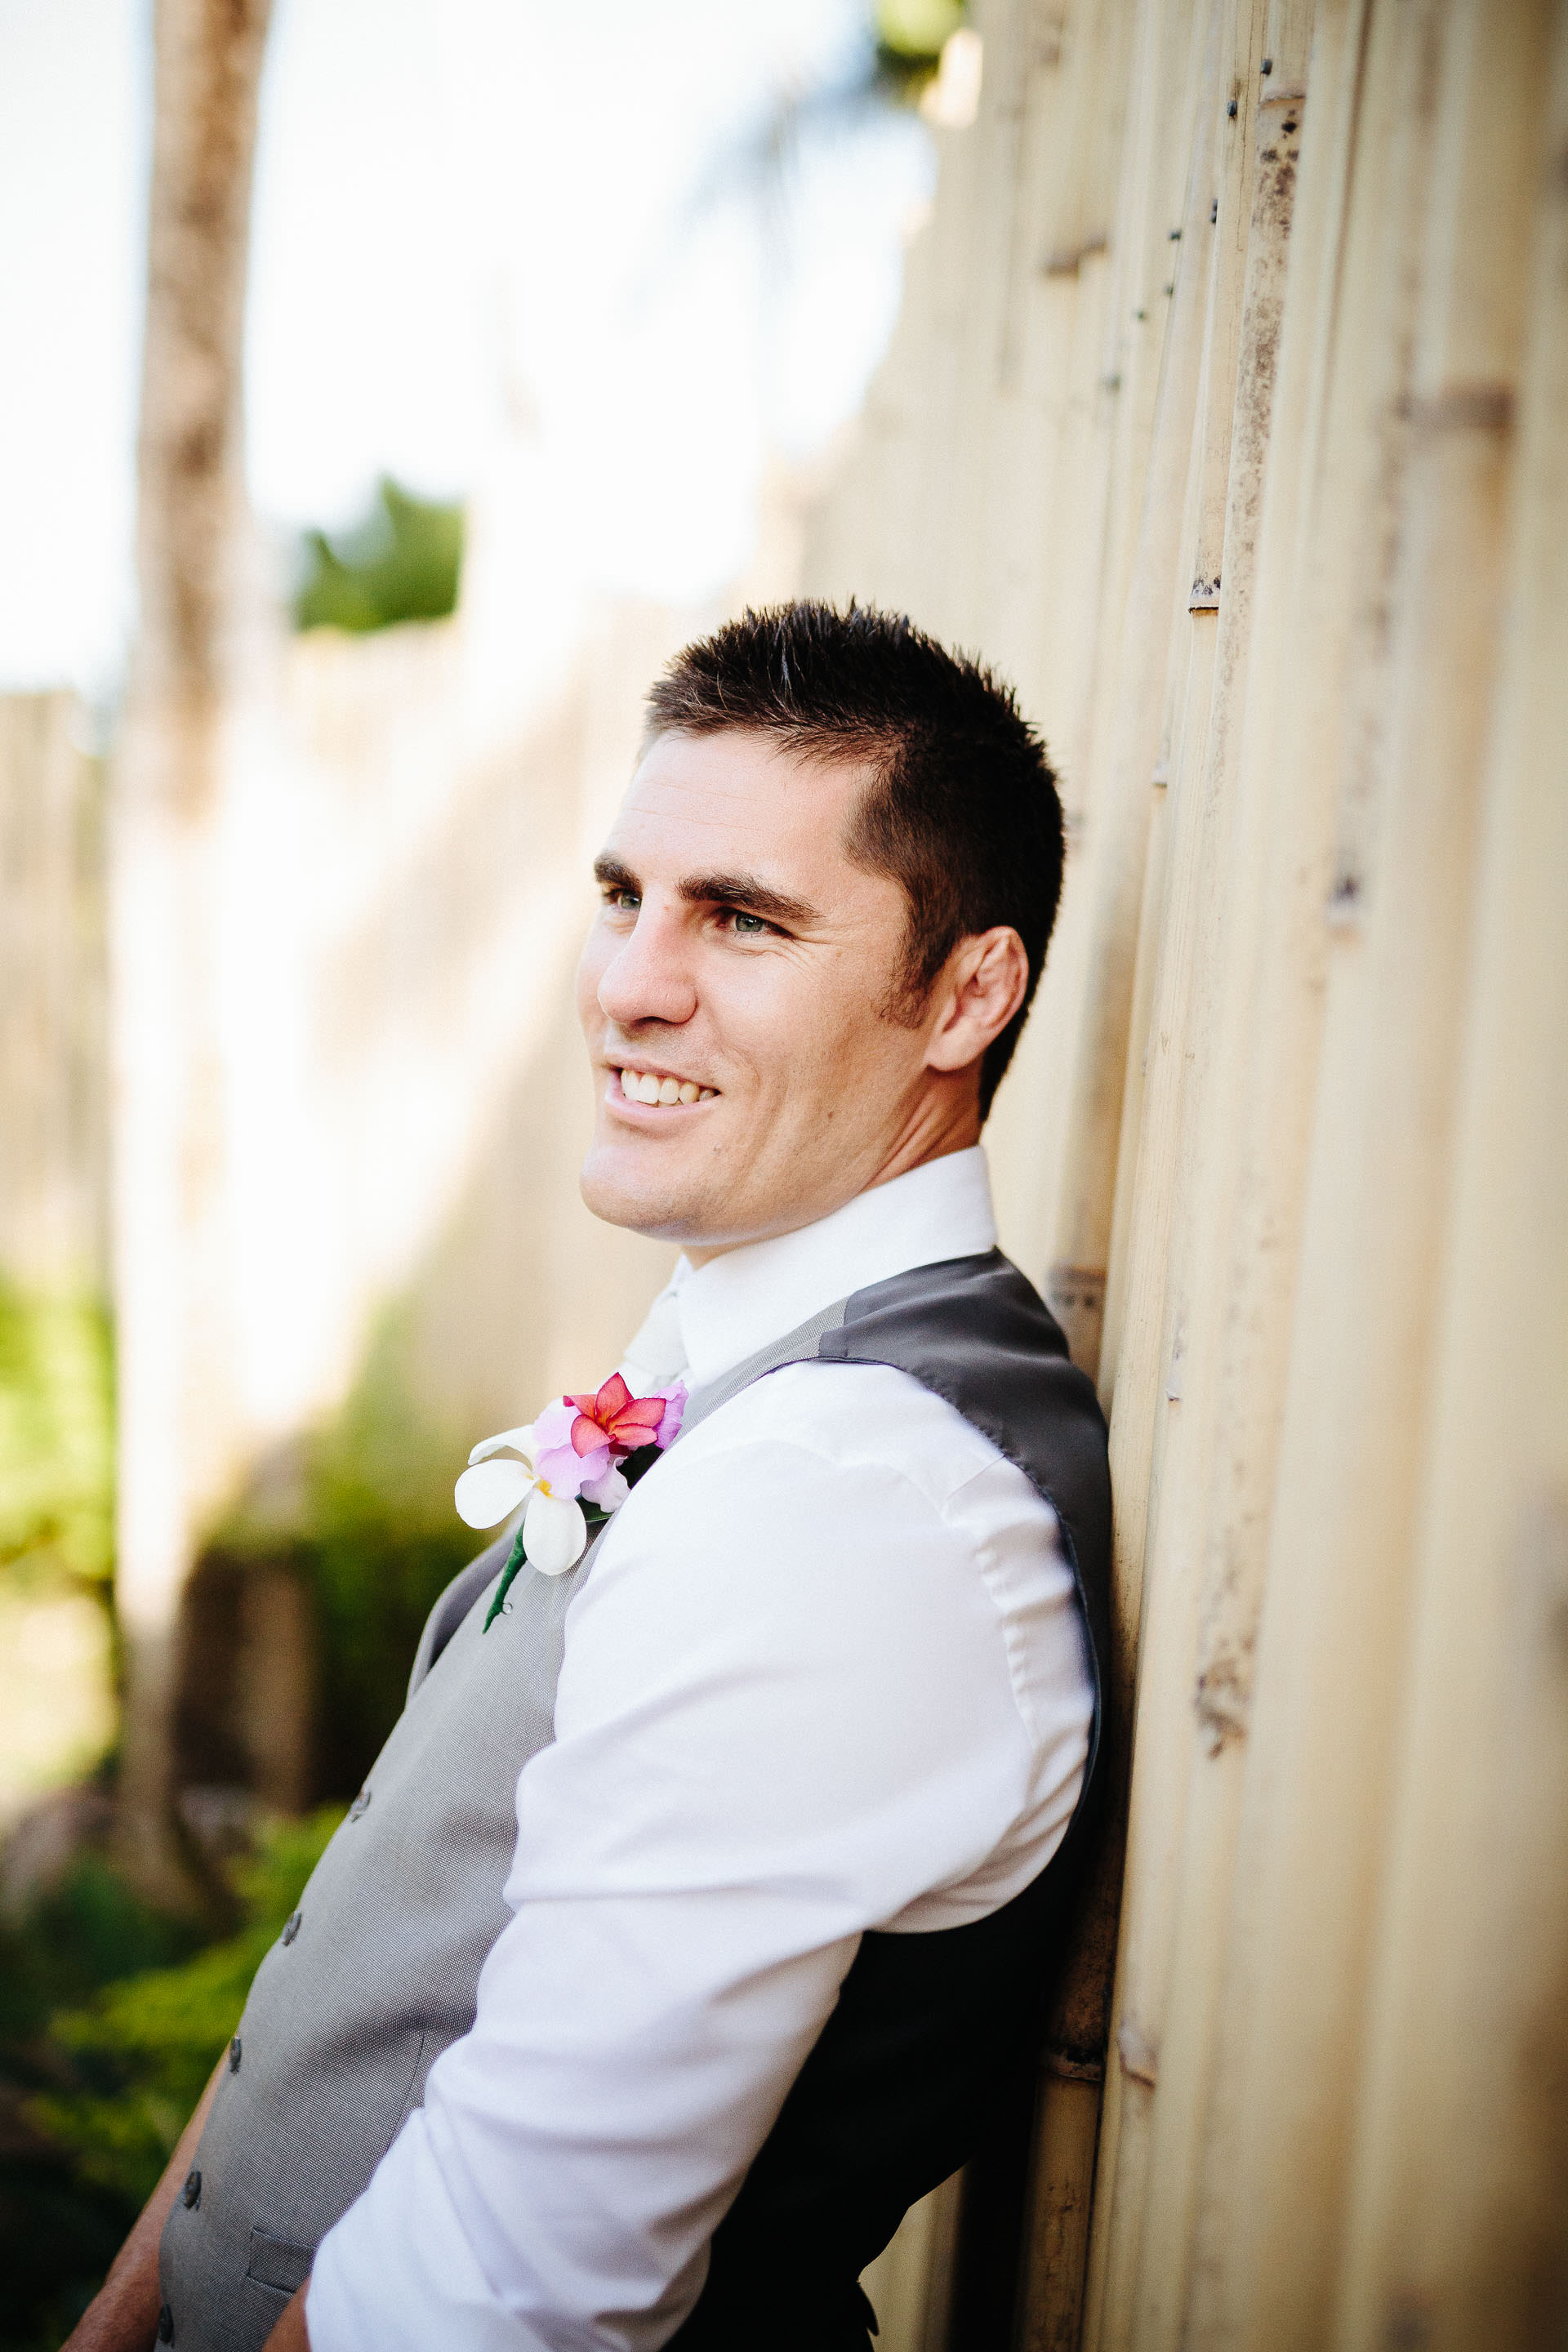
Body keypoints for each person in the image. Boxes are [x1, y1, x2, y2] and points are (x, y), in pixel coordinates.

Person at [67, 601, 1111, 2352]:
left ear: (967, 993)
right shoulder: (744, 1332)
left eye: (746, 920)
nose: (630, 978)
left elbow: (504, 2285)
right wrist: (138, 2293)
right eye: (626, 895)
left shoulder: (848, 1496)